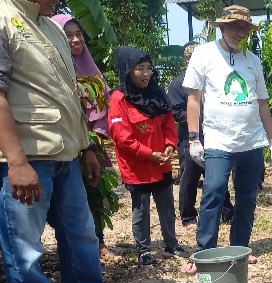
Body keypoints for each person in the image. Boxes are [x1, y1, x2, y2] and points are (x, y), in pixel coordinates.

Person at [0, 0, 128, 283]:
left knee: (81, 233)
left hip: (65, 153)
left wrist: (86, 146)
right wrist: (16, 161)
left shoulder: (52, 26)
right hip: (29, 156)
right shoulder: (4, 19)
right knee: (24, 249)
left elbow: (70, 94)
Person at [183, 5, 272, 264]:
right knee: (213, 192)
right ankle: (204, 253)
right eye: (235, 26)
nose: (241, 32)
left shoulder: (253, 60)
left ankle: (240, 250)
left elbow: (262, 103)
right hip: (217, 139)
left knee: (247, 197)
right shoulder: (204, 54)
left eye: (245, 27)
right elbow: (193, 99)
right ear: (222, 27)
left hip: (251, 140)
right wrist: (193, 138)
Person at [108, 46, 191, 265]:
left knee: (166, 207)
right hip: (138, 166)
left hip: (161, 162)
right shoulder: (118, 99)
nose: (146, 74)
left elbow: (169, 124)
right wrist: (148, 154)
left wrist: (169, 146)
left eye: (148, 68)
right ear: (128, 70)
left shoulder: (156, 93)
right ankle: (143, 250)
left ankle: (171, 244)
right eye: (140, 69)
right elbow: (122, 137)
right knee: (141, 209)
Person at [51, 13, 122, 264]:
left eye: (78, 34)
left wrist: (94, 138)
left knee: (95, 191)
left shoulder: (89, 69)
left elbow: (100, 105)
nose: (75, 39)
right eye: (67, 35)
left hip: (92, 141)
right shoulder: (52, 70)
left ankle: (99, 241)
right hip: (63, 142)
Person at [167, 41, 234, 232]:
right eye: (191, 57)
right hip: (190, 138)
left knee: (216, 176)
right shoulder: (178, 83)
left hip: (213, 135)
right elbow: (175, 112)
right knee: (189, 177)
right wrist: (198, 119)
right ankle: (188, 216)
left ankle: (227, 212)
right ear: (186, 59)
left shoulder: (212, 79)